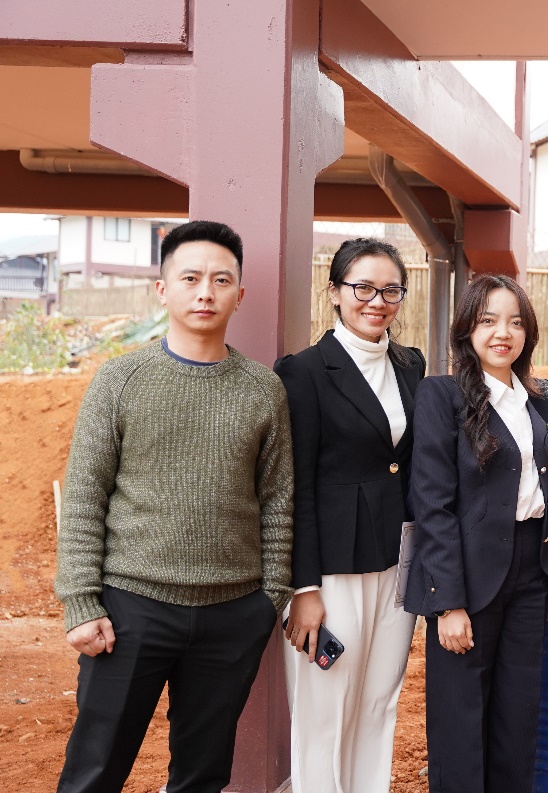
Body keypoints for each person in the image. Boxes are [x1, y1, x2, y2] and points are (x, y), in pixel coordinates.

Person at [54, 220, 293, 793]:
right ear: (162, 288)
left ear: (241, 292)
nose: (205, 291)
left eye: (220, 279)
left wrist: (271, 597)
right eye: (190, 277)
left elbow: (278, 500)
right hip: (130, 609)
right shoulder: (120, 379)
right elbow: (85, 495)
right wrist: (81, 602)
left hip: (233, 614)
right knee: (94, 768)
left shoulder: (263, 390)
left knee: (202, 775)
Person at [403, 274, 548, 793]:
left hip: (528, 574)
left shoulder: (540, 398)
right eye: (489, 320)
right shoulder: (441, 395)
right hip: (466, 576)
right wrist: (447, 602)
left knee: (518, 720)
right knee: (461, 723)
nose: (504, 333)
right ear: (468, 330)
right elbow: (432, 503)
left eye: (516, 322)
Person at [275, 238, 426, 793]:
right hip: (331, 569)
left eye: (391, 289)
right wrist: (303, 589)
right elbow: (296, 486)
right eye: (363, 287)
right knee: (324, 707)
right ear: (336, 292)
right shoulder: (305, 372)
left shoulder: (411, 366)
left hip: (395, 560)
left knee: (380, 699)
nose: (377, 300)